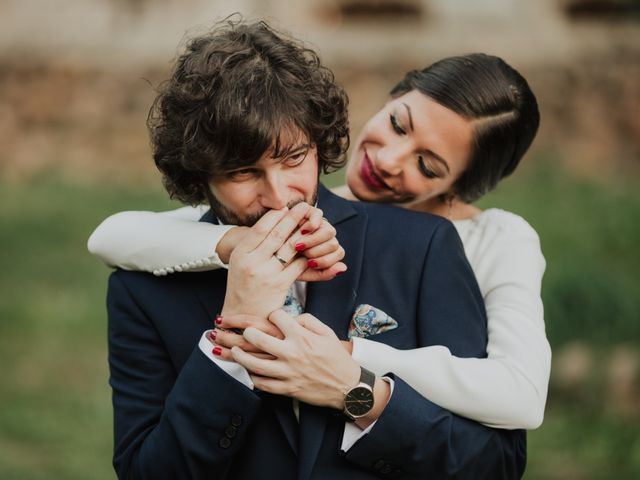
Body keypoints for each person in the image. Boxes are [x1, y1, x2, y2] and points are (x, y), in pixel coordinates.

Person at [103, 19, 525, 479]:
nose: (281, 196)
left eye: (294, 158)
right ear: (198, 174)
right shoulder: (140, 290)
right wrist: (233, 339)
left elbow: (496, 464)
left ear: (319, 144)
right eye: (244, 172)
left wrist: (357, 392)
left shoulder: (422, 246)